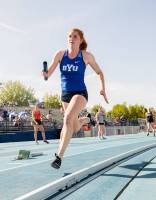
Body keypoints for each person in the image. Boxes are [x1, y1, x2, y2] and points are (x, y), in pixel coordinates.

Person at [42, 28, 109, 169]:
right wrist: (45, 74)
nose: (71, 38)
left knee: (67, 118)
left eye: (75, 36)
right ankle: (85, 120)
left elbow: (99, 72)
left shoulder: (85, 56)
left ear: (81, 40)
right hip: (65, 94)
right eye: (69, 36)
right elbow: (49, 74)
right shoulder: (60, 54)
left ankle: (58, 157)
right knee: (72, 126)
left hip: (80, 93)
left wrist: (102, 88)